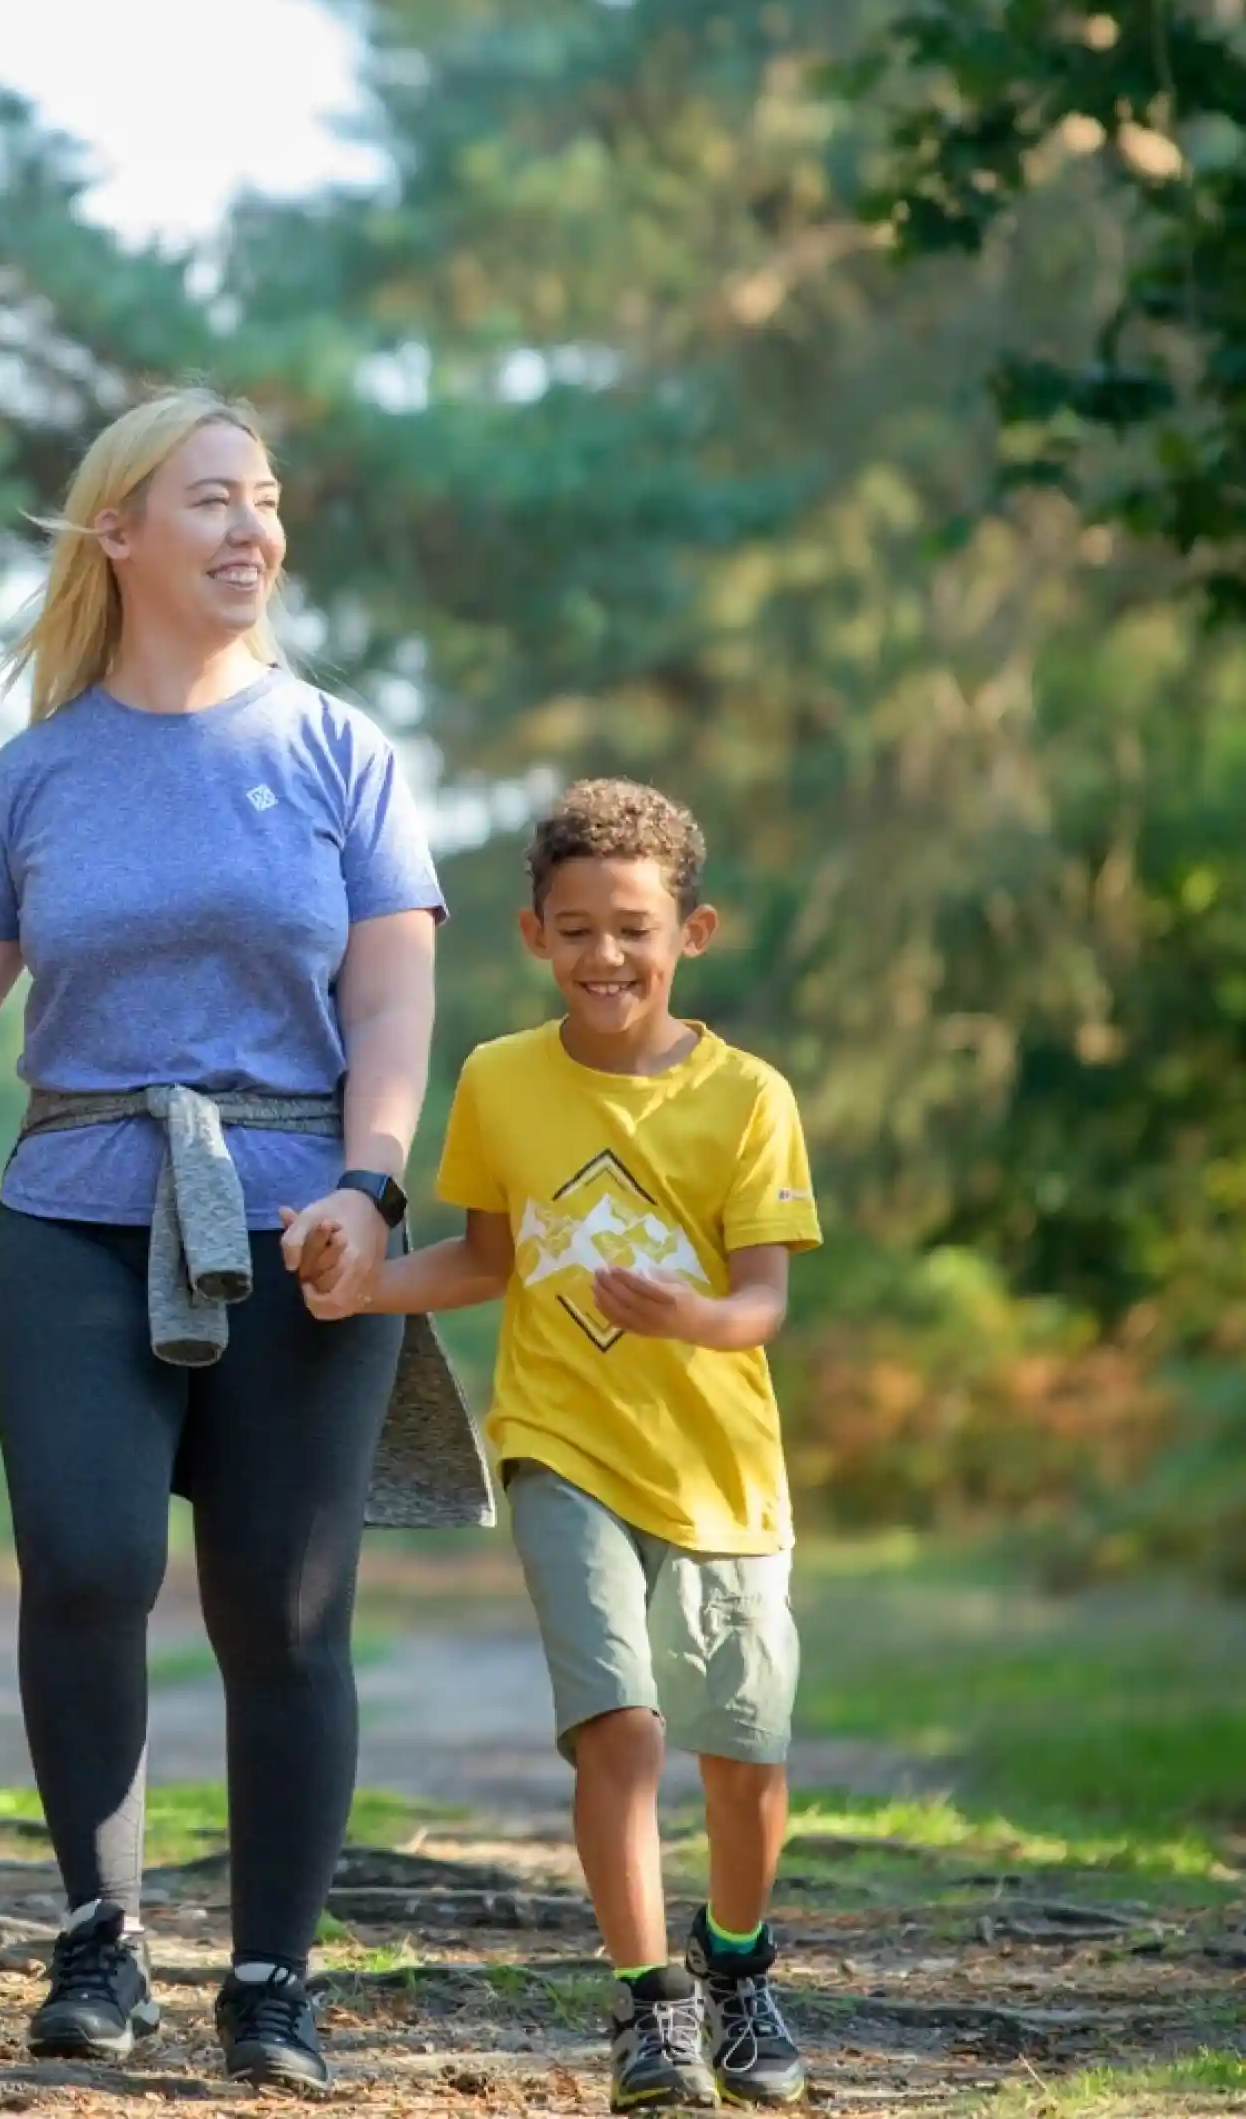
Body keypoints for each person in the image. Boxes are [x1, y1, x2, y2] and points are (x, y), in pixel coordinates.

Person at [0, 390, 489, 2092]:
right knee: (90, 1562)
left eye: (265, 501)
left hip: (298, 1228)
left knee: (283, 1616)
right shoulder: (34, 775)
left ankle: (273, 1978)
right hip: (74, 1212)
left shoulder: (340, 749)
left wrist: (374, 1187)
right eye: (211, 499)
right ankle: (98, 1941)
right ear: (118, 531)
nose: (251, 528)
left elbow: (395, 990)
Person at [316, 780, 814, 2111]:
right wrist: (365, 1283)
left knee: (746, 1764)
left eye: (635, 929)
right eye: (578, 929)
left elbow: (763, 1300)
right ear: (536, 935)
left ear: (692, 931)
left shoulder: (750, 1099)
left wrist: (693, 1314)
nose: (607, 956)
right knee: (620, 1730)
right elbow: (487, 1259)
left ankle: (739, 1968)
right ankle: (651, 2010)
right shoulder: (499, 1080)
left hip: (722, 1474)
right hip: (557, 1447)